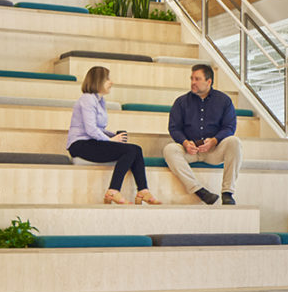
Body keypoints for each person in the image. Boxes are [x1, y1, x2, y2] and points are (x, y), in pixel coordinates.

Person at [67, 66, 159, 206]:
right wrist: (111, 140)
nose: (111, 82)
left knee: (136, 149)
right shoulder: (88, 99)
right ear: (98, 81)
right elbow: (91, 130)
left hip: (92, 142)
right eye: (107, 79)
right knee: (130, 150)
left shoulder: (100, 100)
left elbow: (99, 129)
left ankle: (143, 190)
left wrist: (114, 135)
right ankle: (113, 191)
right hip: (80, 145)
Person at [164, 63, 242, 205]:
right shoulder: (181, 102)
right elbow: (174, 128)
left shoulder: (224, 101)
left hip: (214, 150)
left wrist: (214, 140)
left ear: (209, 81)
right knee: (169, 149)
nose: (193, 82)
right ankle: (200, 191)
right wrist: (185, 143)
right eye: (192, 78)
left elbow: (229, 127)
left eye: (197, 79)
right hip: (190, 150)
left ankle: (227, 193)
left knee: (234, 142)